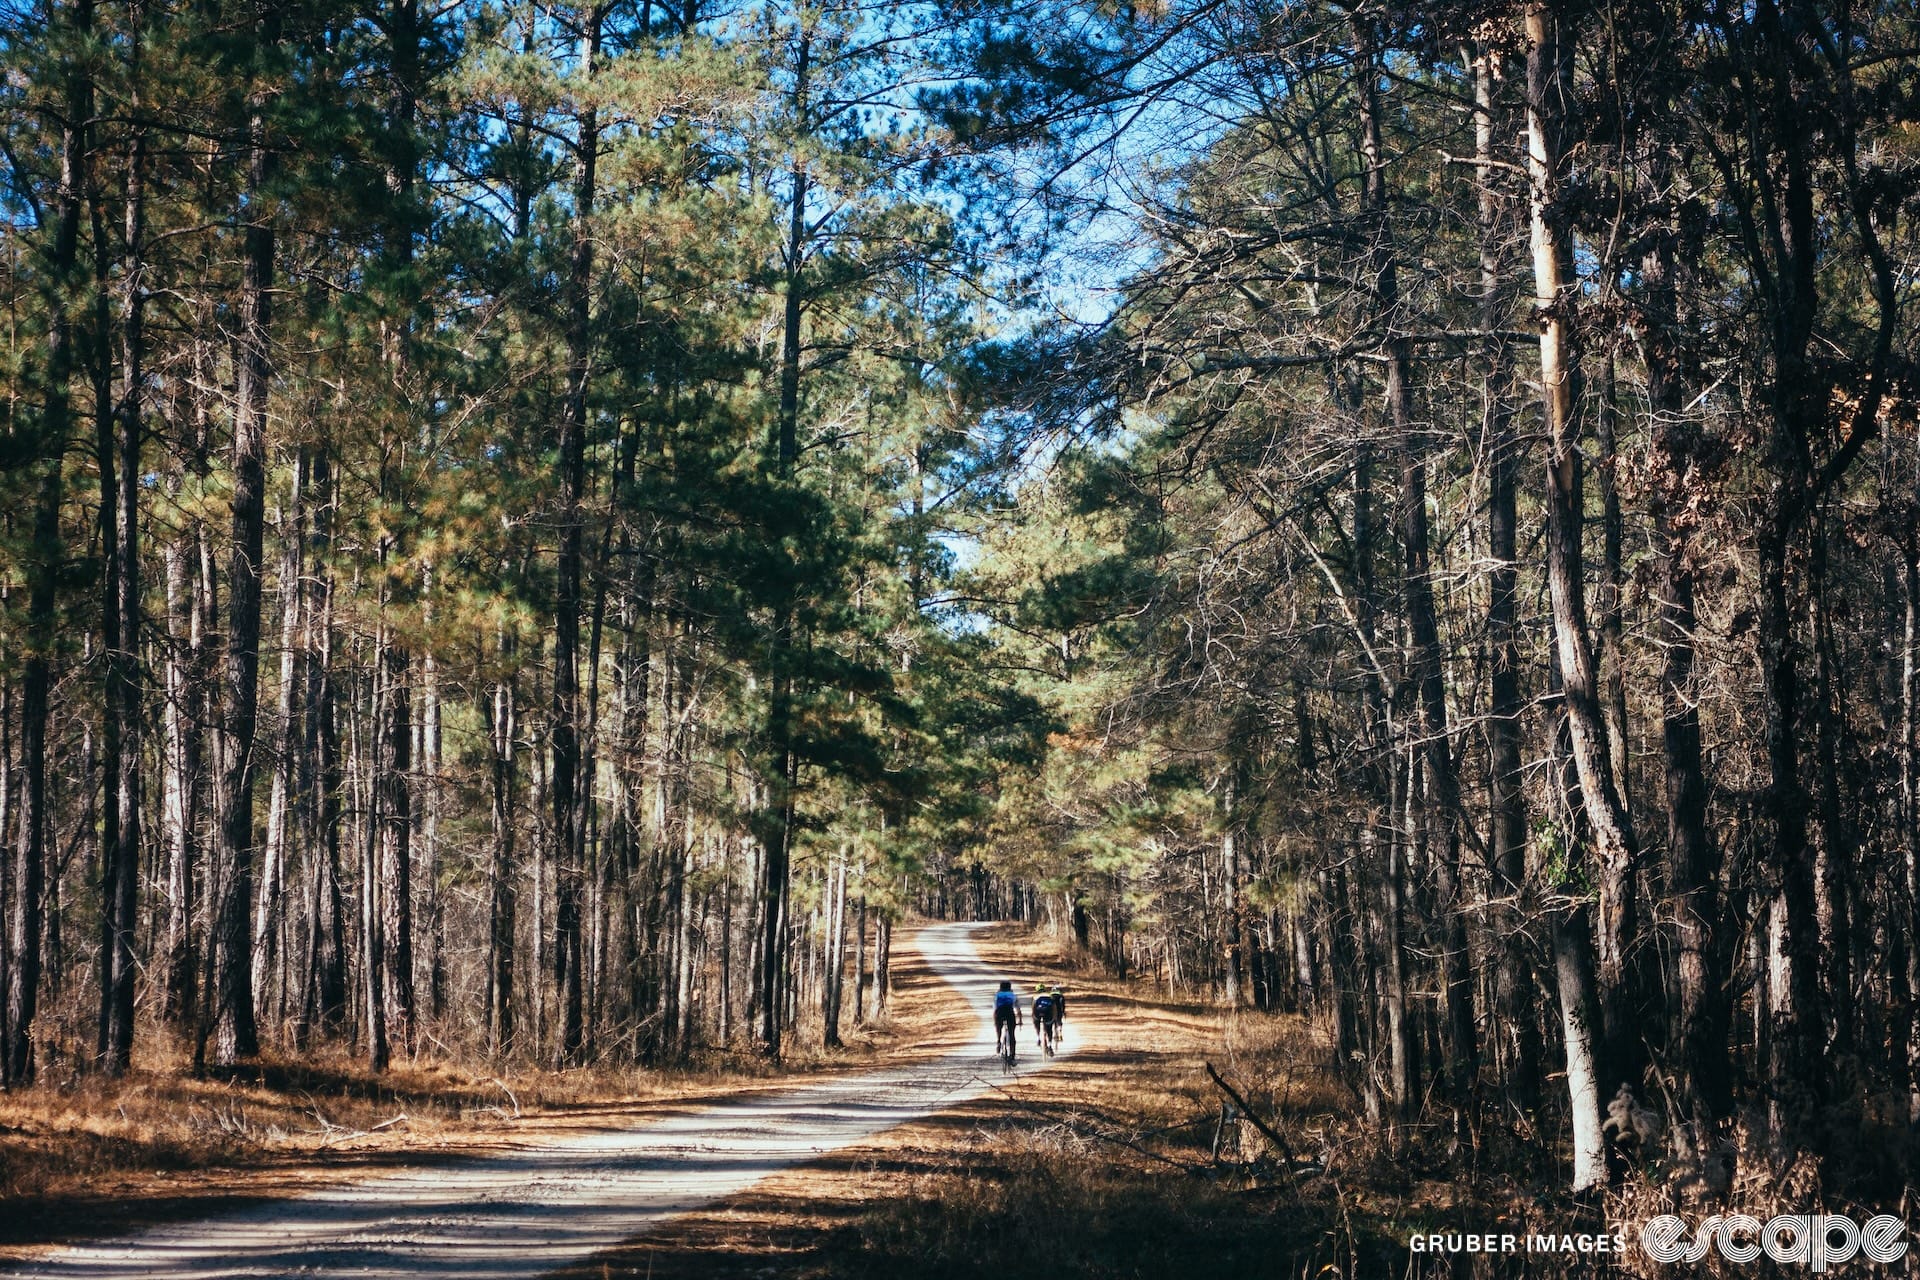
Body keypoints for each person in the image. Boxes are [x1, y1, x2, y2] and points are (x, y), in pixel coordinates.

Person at [992, 980, 1022, 1057]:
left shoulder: (997, 995)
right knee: (1012, 1034)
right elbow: (1018, 1009)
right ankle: (1012, 1055)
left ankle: (998, 1041)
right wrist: (1020, 1020)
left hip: (999, 1013)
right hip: (1009, 1013)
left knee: (999, 1029)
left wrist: (995, 1020)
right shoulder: (1013, 995)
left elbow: (995, 1008)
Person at [1032, 985, 1057, 1052]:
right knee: (1049, 1029)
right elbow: (1054, 1007)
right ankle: (1050, 1045)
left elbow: (1033, 1007)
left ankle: (1038, 1038)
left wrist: (1034, 1016)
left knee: (1036, 1024)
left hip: (1038, 1013)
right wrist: (1054, 1017)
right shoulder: (1050, 996)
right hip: (1048, 1013)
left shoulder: (1035, 997)